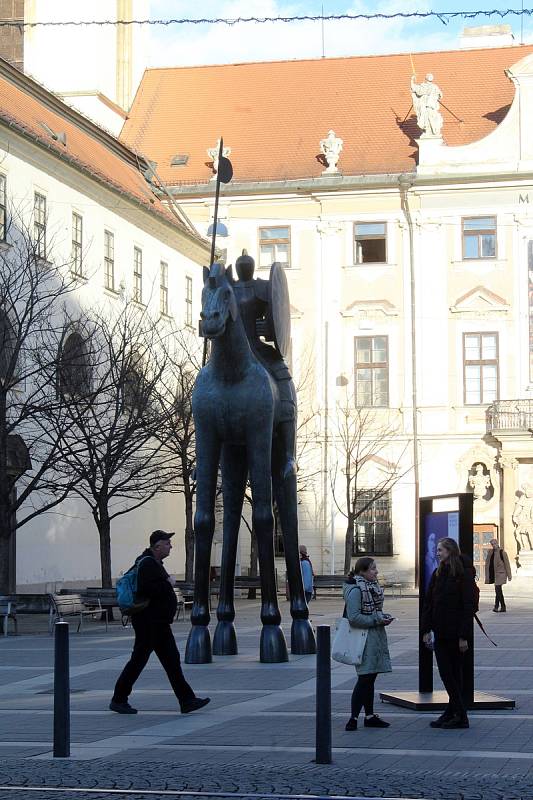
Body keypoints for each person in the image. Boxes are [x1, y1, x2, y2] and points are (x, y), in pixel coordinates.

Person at [110, 530, 210, 715]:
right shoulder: (148, 563)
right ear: (157, 546)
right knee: (139, 661)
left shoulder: (153, 562)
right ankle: (118, 699)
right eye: (167, 543)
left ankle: (187, 700)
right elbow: (147, 589)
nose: (170, 546)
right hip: (150, 623)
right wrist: (168, 583)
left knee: (171, 661)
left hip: (157, 623)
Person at [421, 537, 474, 729]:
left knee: (453, 674)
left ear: (450, 551)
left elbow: (468, 607)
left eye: (440, 550)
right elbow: (429, 603)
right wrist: (426, 630)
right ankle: (453, 712)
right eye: (437, 549)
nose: (437, 552)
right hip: (440, 631)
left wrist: (463, 636)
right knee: (446, 673)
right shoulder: (438, 572)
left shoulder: (462, 574)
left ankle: (460, 716)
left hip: (455, 632)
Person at [343, 556, 393, 731]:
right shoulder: (357, 590)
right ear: (362, 571)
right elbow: (354, 617)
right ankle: (353, 719)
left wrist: (382, 617)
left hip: (373, 637)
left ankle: (369, 716)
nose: (376, 571)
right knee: (364, 678)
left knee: (370, 677)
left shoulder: (371, 587)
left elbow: (373, 611)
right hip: (363, 639)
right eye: (372, 568)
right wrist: (377, 619)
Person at [484, 538, 512, 612]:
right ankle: (500, 607)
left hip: (501, 574)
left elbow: (507, 564)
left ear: (497, 543)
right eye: (492, 544)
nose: (493, 545)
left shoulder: (502, 552)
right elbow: (488, 564)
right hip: (495, 574)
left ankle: (499, 606)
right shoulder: (491, 553)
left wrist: (509, 575)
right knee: (498, 590)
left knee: (497, 589)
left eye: (494, 544)